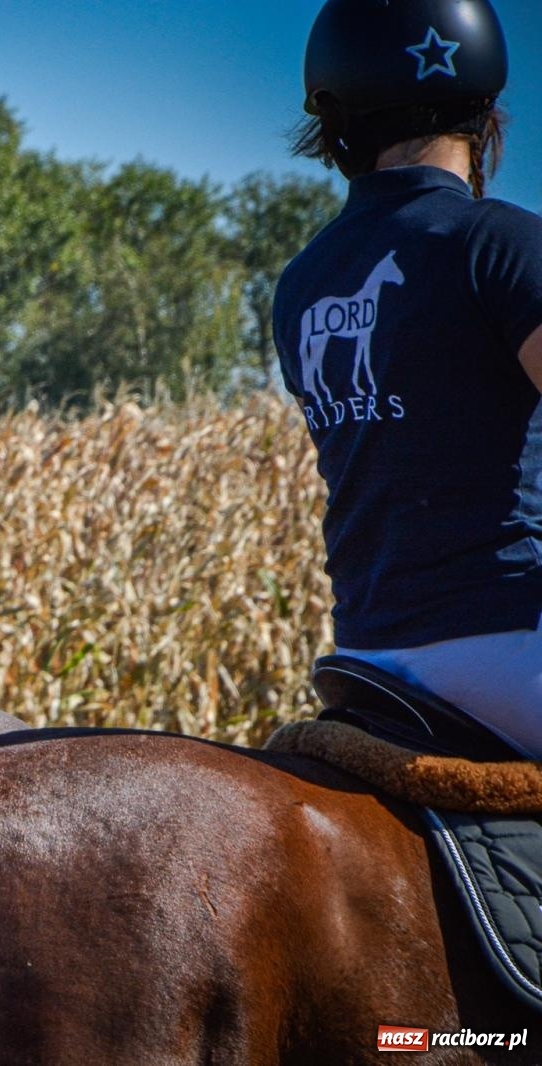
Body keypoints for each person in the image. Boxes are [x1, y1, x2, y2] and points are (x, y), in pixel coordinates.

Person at [274, 0, 542, 755]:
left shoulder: (304, 278)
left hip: (366, 651)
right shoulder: (502, 242)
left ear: (332, 116)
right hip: (508, 642)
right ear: (485, 107)